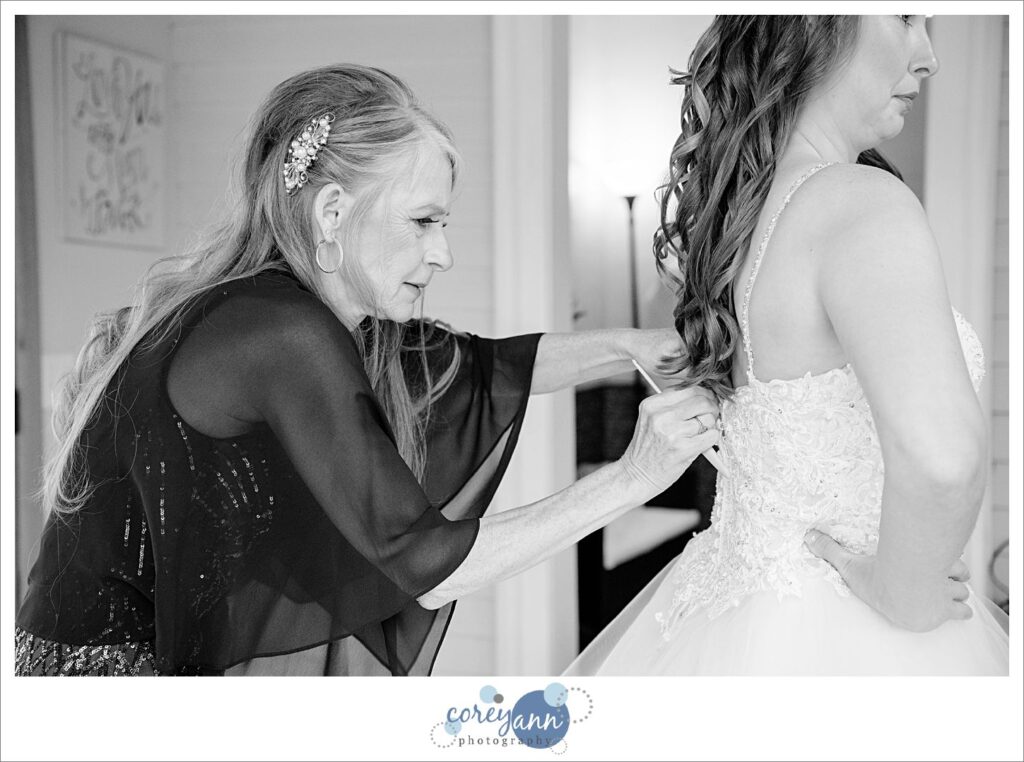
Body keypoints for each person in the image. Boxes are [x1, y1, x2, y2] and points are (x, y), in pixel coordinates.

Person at [15, 64, 721, 676]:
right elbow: (429, 564)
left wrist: (630, 346)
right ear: (332, 213)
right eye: (422, 222)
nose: (442, 253)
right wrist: (634, 477)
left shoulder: (293, 312)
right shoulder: (281, 331)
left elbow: (483, 367)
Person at [565, 15, 1009, 675]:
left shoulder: (738, 222)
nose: (928, 57)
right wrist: (905, 593)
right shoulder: (861, 204)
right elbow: (944, 458)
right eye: (904, 16)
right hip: (852, 633)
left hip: (731, 610)